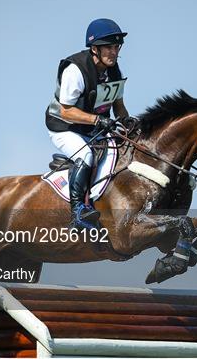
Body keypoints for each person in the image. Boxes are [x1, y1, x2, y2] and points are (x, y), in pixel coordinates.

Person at [45, 18, 134, 230]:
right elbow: (66, 111)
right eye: (108, 48)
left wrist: (129, 123)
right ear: (94, 49)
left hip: (93, 128)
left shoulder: (114, 71)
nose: (114, 52)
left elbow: (118, 106)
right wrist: (97, 119)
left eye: (116, 47)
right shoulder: (75, 70)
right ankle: (78, 212)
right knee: (85, 155)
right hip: (64, 127)